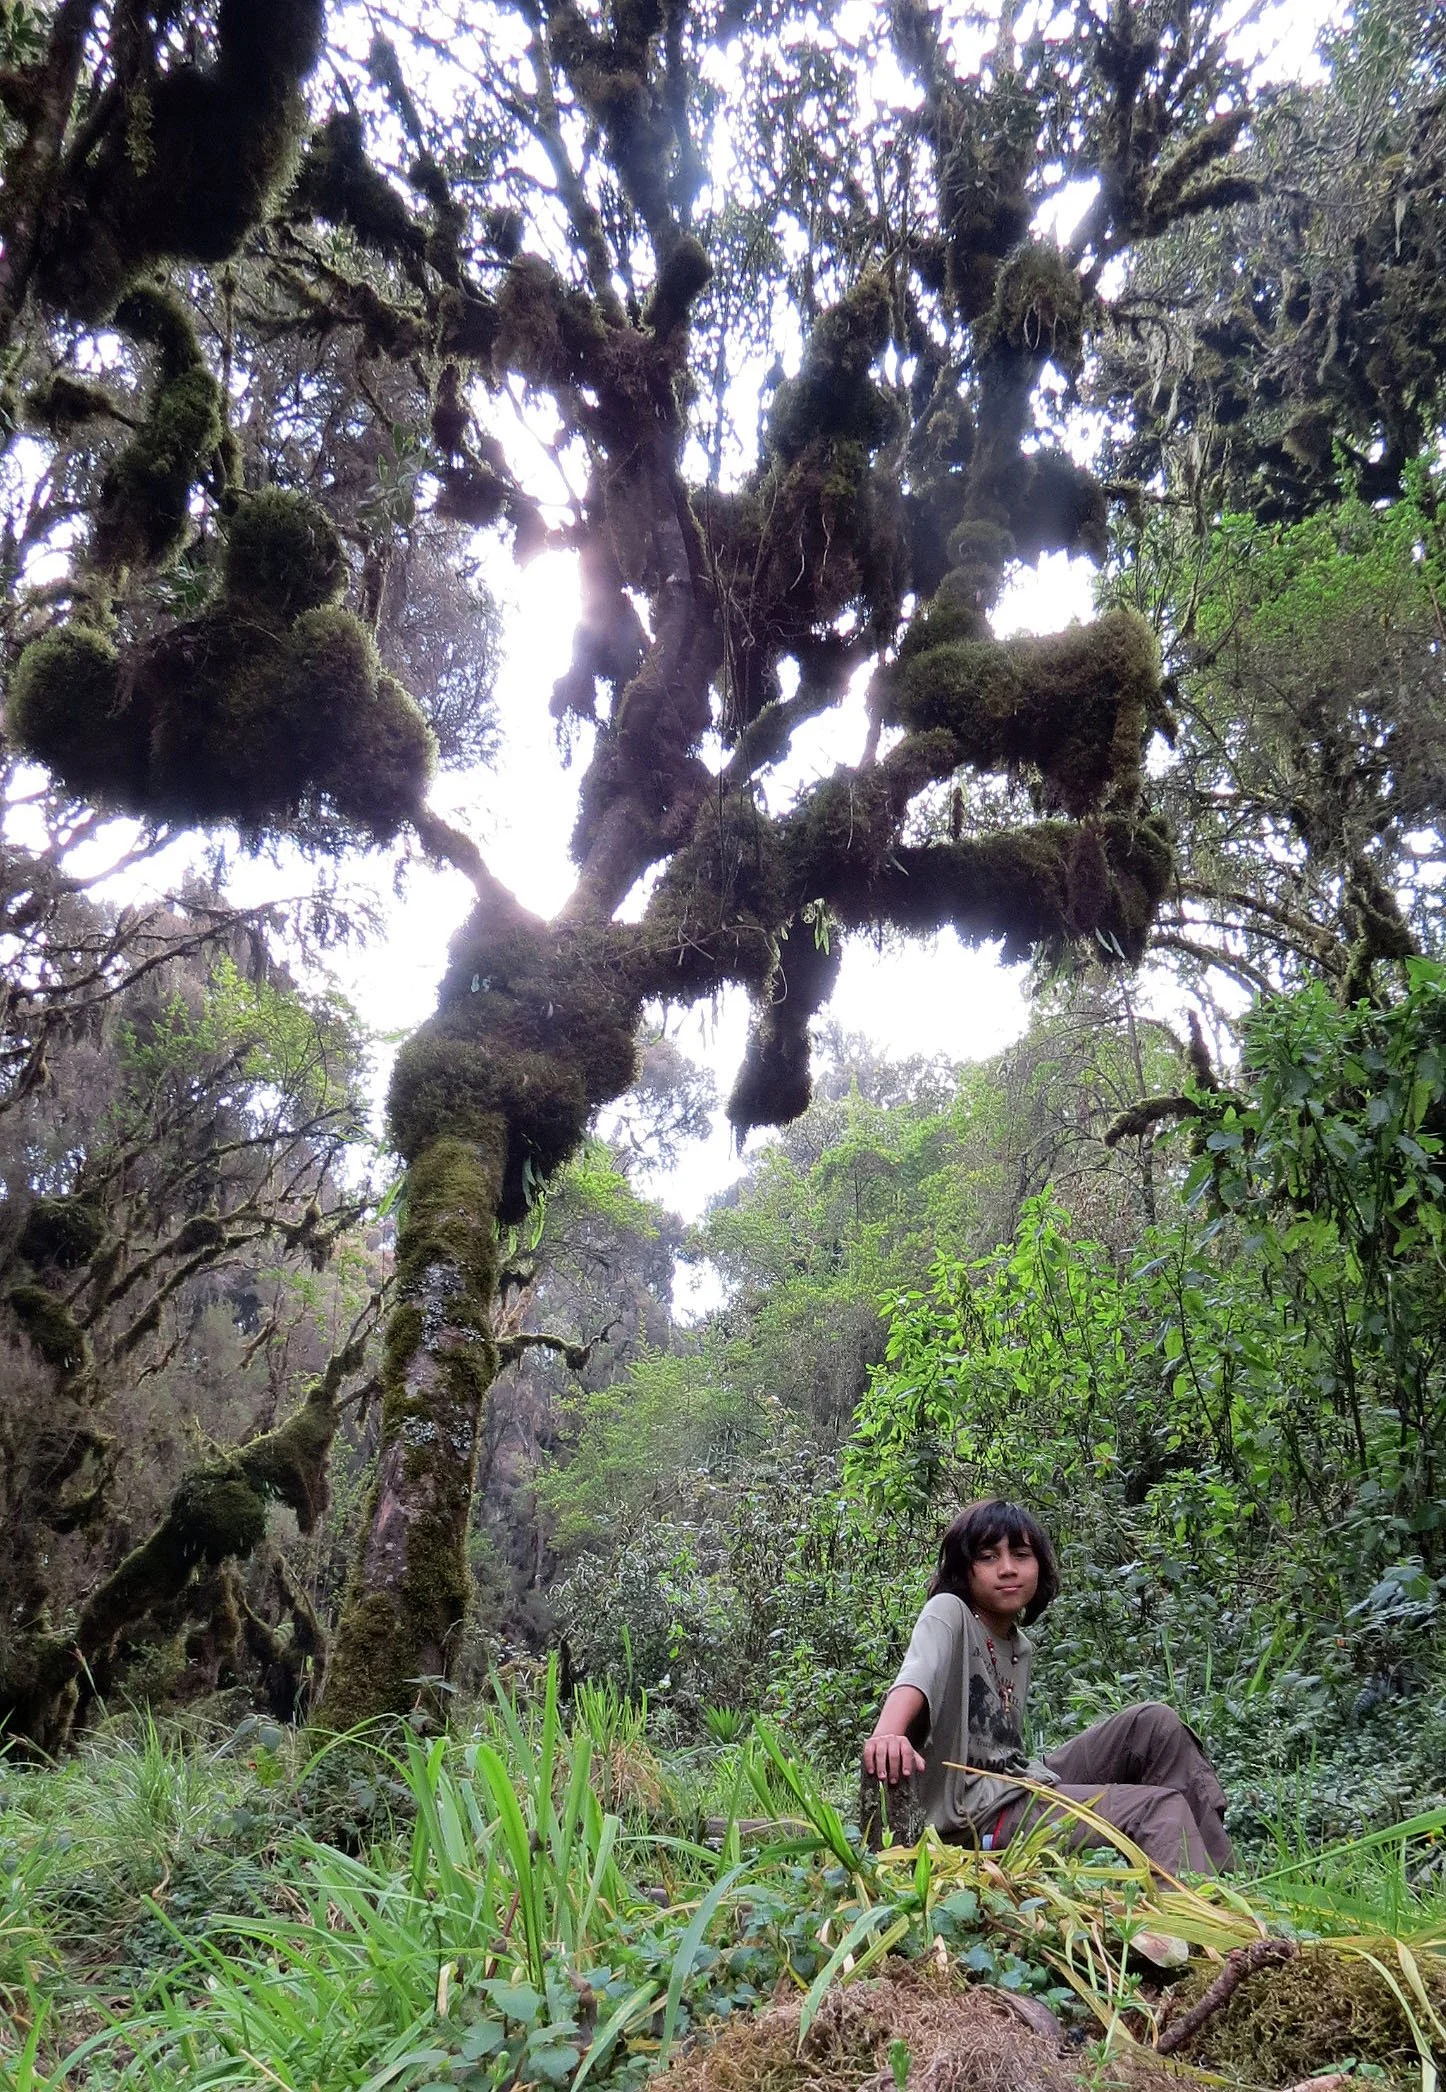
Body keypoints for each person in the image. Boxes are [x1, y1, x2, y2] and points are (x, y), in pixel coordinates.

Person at [862, 1498, 1235, 1875]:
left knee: (1153, 1725)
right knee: (1157, 1807)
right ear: (965, 1570)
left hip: (1015, 1782)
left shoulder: (1016, 1645)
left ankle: (1223, 1882)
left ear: (1039, 1565)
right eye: (989, 1557)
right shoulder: (949, 1611)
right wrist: (887, 1734)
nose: (1007, 1569)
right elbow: (917, 1671)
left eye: (1021, 1555)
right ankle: (1189, 1920)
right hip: (972, 1814)